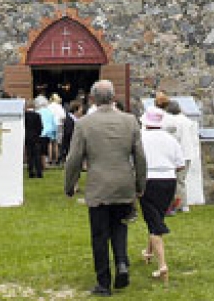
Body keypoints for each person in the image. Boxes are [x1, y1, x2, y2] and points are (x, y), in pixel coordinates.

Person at [64, 80, 147, 296]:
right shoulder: (130, 121)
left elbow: (73, 159)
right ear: (113, 96)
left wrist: (70, 184)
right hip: (124, 183)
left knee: (99, 234)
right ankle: (121, 263)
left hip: (98, 185)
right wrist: (140, 184)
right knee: (120, 227)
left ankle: (103, 282)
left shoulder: (84, 124)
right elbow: (140, 156)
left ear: (92, 98)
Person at [137, 107, 184, 286]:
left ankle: (162, 264)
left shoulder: (140, 138)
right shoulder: (170, 139)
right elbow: (180, 164)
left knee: (154, 221)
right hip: (169, 180)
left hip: (148, 180)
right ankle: (149, 252)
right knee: (157, 216)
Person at [163, 100, 197, 213]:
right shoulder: (186, 120)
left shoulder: (174, 121)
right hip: (187, 154)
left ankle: (182, 205)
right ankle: (179, 204)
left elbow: (174, 138)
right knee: (180, 180)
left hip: (179, 154)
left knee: (178, 181)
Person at [24, 99, 44, 178]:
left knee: (29, 155)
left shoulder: (24, 115)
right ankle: (39, 172)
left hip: (27, 137)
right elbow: (40, 127)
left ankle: (31, 172)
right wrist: (38, 134)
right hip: (36, 137)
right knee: (37, 155)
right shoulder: (37, 115)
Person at [48, 93, 66, 164]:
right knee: (57, 143)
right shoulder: (59, 106)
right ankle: (57, 159)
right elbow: (63, 117)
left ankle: (50, 159)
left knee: (50, 142)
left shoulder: (49, 106)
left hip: (51, 125)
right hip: (59, 125)